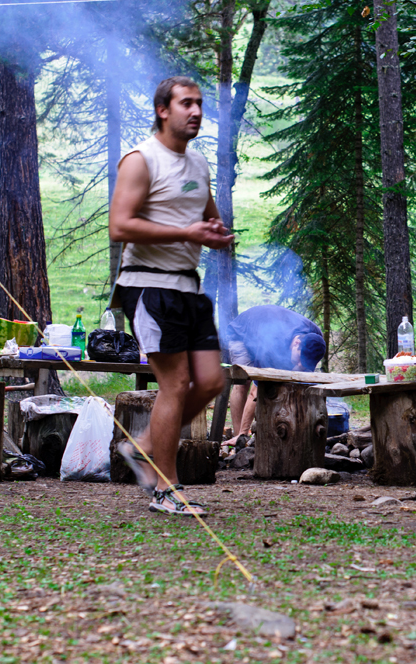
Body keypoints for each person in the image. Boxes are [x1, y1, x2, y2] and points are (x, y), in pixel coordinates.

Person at [109, 76, 233, 516]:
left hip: (187, 284)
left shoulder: (197, 163)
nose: (196, 111)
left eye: (199, 104)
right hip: (148, 283)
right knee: (175, 385)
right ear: (163, 110)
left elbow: (205, 212)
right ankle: (166, 489)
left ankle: (144, 446)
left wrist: (216, 233)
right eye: (186, 104)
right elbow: (119, 226)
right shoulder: (141, 161)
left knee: (214, 381)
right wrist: (185, 231)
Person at [223, 305, 326, 447]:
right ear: (297, 343)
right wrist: (243, 431)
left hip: (265, 329)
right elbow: (255, 392)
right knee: (243, 382)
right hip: (242, 331)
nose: (301, 366)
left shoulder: (316, 337)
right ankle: (239, 437)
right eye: (300, 360)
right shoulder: (272, 348)